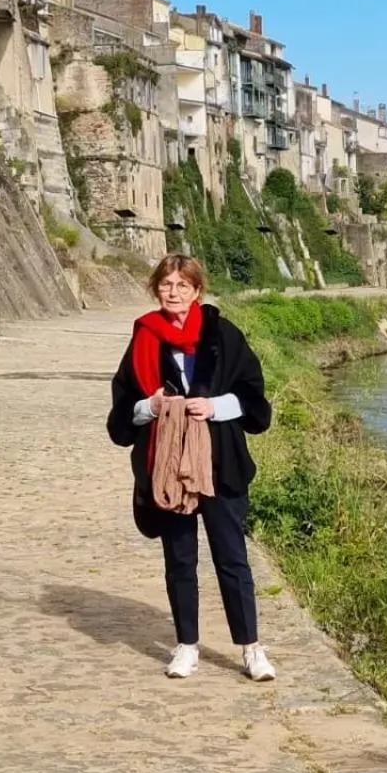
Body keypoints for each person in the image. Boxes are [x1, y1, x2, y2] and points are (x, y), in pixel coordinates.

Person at [107, 254, 276, 681]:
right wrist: (152, 406)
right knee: (180, 558)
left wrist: (214, 406)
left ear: (197, 291)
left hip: (219, 464)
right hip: (166, 468)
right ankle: (187, 646)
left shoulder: (223, 335)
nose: (174, 292)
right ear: (156, 290)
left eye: (183, 285)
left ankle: (251, 649)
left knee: (232, 558)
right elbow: (124, 409)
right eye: (166, 285)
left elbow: (254, 398)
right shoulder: (144, 337)